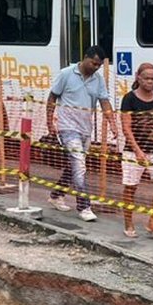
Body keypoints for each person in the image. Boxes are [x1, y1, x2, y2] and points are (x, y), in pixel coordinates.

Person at [46, 45, 118, 221]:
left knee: (75, 165)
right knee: (80, 165)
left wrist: (112, 122)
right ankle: (84, 207)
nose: (95, 67)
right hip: (67, 127)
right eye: (93, 63)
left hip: (86, 129)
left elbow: (104, 101)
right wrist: (50, 121)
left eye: (99, 65)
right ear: (85, 58)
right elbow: (52, 97)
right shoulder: (66, 74)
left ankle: (56, 194)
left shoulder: (98, 79)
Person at [119, 62, 153, 240]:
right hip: (134, 152)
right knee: (131, 188)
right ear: (138, 78)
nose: (151, 82)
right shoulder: (129, 99)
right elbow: (126, 127)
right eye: (147, 78)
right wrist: (137, 150)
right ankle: (128, 222)